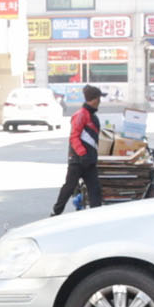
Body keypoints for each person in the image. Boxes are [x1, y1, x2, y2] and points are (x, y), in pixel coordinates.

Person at [53, 85, 106, 214]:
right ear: (94, 99)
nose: (100, 101)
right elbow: (74, 137)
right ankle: (56, 212)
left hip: (89, 161)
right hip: (78, 161)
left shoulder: (91, 115)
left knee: (95, 189)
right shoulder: (81, 115)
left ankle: (96, 215)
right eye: (99, 98)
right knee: (69, 187)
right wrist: (83, 154)